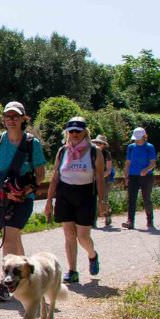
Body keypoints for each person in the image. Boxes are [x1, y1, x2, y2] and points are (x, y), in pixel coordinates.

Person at [0, 101, 47, 302]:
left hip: (23, 199)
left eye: (16, 116)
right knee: (14, 240)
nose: (11, 120)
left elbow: (41, 174)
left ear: (24, 118)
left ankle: (5, 285)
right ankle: (30, 278)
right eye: (8, 116)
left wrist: (25, 191)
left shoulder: (31, 143)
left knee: (9, 236)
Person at [44, 117, 108, 284]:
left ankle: (92, 255)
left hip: (85, 194)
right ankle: (72, 271)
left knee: (83, 236)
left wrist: (103, 202)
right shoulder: (62, 151)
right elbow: (55, 176)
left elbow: (100, 178)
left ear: (85, 132)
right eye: (71, 131)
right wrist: (49, 201)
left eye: (78, 131)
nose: (74, 134)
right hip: (65, 193)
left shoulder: (95, 152)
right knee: (69, 234)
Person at [123, 127, 157, 230]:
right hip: (133, 176)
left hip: (146, 176)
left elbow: (153, 163)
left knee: (146, 198)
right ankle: (130, 221)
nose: (137, 140)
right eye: (136, 138)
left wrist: (146, 170)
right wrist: (126, 176)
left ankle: (150, 220)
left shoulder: (149, 147)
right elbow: (128, 163)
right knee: (131, 198)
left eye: (139, 138)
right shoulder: (131, 147)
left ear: (144, 136)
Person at [90, 135, 115, 227]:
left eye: (99, 143)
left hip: (105, 179)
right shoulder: (91, 152)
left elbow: (108, 170)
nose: (97, 144)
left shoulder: (107, 154)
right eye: (96, 142)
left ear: (103, 145)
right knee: (92, 200)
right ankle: (93, 221)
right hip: (93, 179)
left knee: (103, 199)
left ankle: (107, 214)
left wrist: (99, 176)